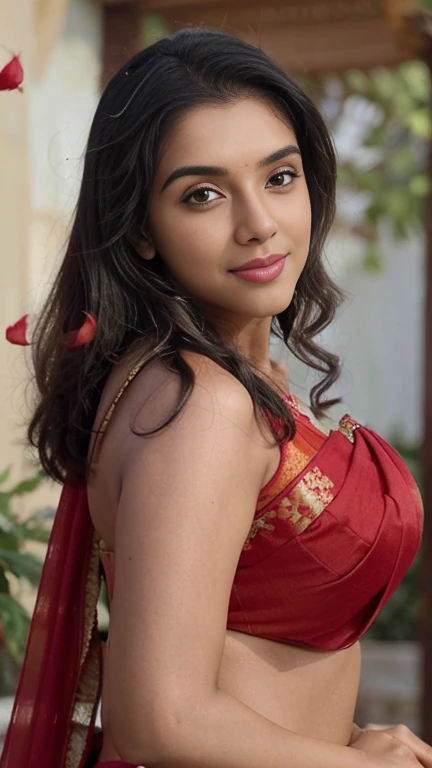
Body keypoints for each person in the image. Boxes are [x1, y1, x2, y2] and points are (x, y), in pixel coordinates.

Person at [0, 26, 428, 768]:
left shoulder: (216, 382)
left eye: (279, 177)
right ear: (140, 228)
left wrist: (343, 741)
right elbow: (159, 720)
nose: (258, 224)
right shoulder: (198, 406)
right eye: (203, 194)